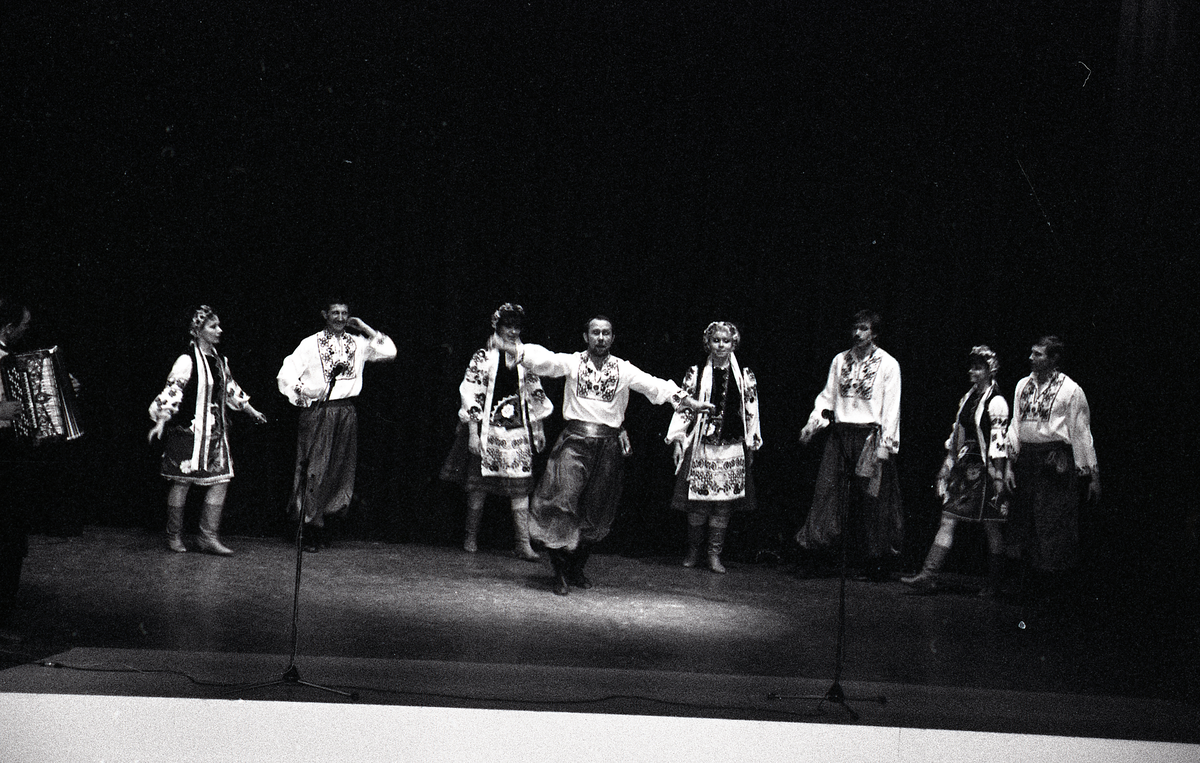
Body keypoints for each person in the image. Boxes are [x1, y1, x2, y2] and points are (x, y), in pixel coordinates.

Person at [497, 315, 712, 595]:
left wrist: (687, 401)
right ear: (586, 336)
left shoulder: (622, 369)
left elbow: (654, 385)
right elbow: (547, 361)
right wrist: (516, 349)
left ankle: (576, 567)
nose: (600, 337)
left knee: (597, 510)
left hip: (608, 446)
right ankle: (560, 571)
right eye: (595, 332)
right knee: (563, 501)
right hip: (575, 443)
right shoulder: (574, 362)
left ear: (612, 337)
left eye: (606, 333)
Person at [277, 300, 396, 551]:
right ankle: (304, 525)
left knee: (338, 469)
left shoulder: (358, 343)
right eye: (335, 313)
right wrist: (306, 393)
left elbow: (390, 352)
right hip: (320, 411)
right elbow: (286, 374)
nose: (340, 318)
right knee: (314, 469)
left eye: (344, 313)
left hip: (346, 411)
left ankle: (320, 524)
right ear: (325, 315)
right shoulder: (310, 344)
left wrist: (365, 328)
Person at [148, 306, 268, 555]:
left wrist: (251, 411)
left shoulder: (219, 361)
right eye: (213, 326)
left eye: (218, 325)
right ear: (198, 330)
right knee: (182, 481)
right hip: (189, 431)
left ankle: (207, 536)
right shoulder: (187, 360)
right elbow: (173, 392)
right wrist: (160, 420)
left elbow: (231, 390)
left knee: (221, 480)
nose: (219, 330)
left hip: (214, 432)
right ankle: (173, 535)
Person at [440, 303, 553, 560]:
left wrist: (539, 427)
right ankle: (470, 535)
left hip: (517, 429)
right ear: (497, 327)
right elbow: (471, 392)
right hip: (488, 428)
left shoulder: (525, 357)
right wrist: (472, 432)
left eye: (516, 327)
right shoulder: (483, 357)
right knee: (479, 484)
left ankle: (522, 543)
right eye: (507, 326)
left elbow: (534, 392)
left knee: (520, 485)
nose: (513, 331)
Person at [796, 310, 903, 581]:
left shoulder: (888, 364)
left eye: (864, 328)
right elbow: (827, 398)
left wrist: (886, 446)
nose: (858, 333)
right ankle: (814, 555)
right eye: (855, 328)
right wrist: (813, 424)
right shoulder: (840, 360)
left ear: (874, 332)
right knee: (827, 491)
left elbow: (892, 408)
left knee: (874, 499)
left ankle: (878, 561)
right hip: (841, 433)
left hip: (870, 436)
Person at [902, 346, 1009, 595]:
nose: (972, 371)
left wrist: (999, 475)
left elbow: (999, 442)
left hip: (987, 466)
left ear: (989, 370)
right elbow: (957, 432)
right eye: (971, 366)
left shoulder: (997, 402)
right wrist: (948, 464)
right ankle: (929, 574)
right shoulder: (969, 397)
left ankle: (995, 582)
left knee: (991, 525)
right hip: (966, 462)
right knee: (948, 517)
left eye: (978, 367)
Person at [1004, 336, 1100, 603]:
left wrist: (1091, 474)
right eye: (1032, 353)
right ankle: (1028, 587)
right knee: (1026, 521)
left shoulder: (1070, 390)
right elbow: (1015, 424)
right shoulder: (1023, 385)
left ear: (1053, 358)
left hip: (1053, 462)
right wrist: (1009, 464)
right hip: (1027, 459)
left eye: (1039, 355)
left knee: (1052, 522)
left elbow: (1080, 432)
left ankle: (1054, 590)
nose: (1032, 358)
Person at [664, 321, 762, 574]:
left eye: (726, 341)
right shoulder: (696, 373)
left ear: (733, 343)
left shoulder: (745, 376)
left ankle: (714, 554)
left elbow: (751, 411)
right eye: (716, 340)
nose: (721, 345)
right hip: (702, 446)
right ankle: (694, 550)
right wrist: (678, 440)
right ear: (708, 342)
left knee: (723, 503)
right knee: (698, 502)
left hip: (731, 447)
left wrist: (751, 443)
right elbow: (684, 407)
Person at [0, 297, 33, 641]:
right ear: (8, 328)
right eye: (23, 326)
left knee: (12, 538)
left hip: (11, 452)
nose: (26, 331)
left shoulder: (12, 360)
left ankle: (4, 616)